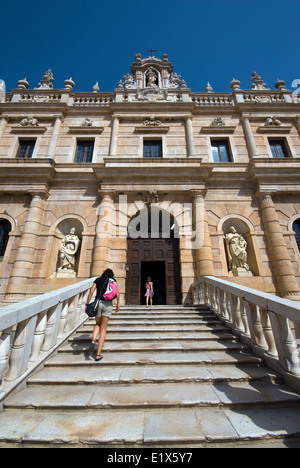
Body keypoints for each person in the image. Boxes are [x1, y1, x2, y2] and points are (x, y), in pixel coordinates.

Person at [85, 268, 120, 362]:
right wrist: (118, 304)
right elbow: (117, 293)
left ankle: (93, 341)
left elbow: (91, 291)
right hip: (107, 304)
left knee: (97, 324)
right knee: (103, 328)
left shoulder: (98, 280)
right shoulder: (113, 281)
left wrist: (87, 304)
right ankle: (98, 354)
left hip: (98, 304)